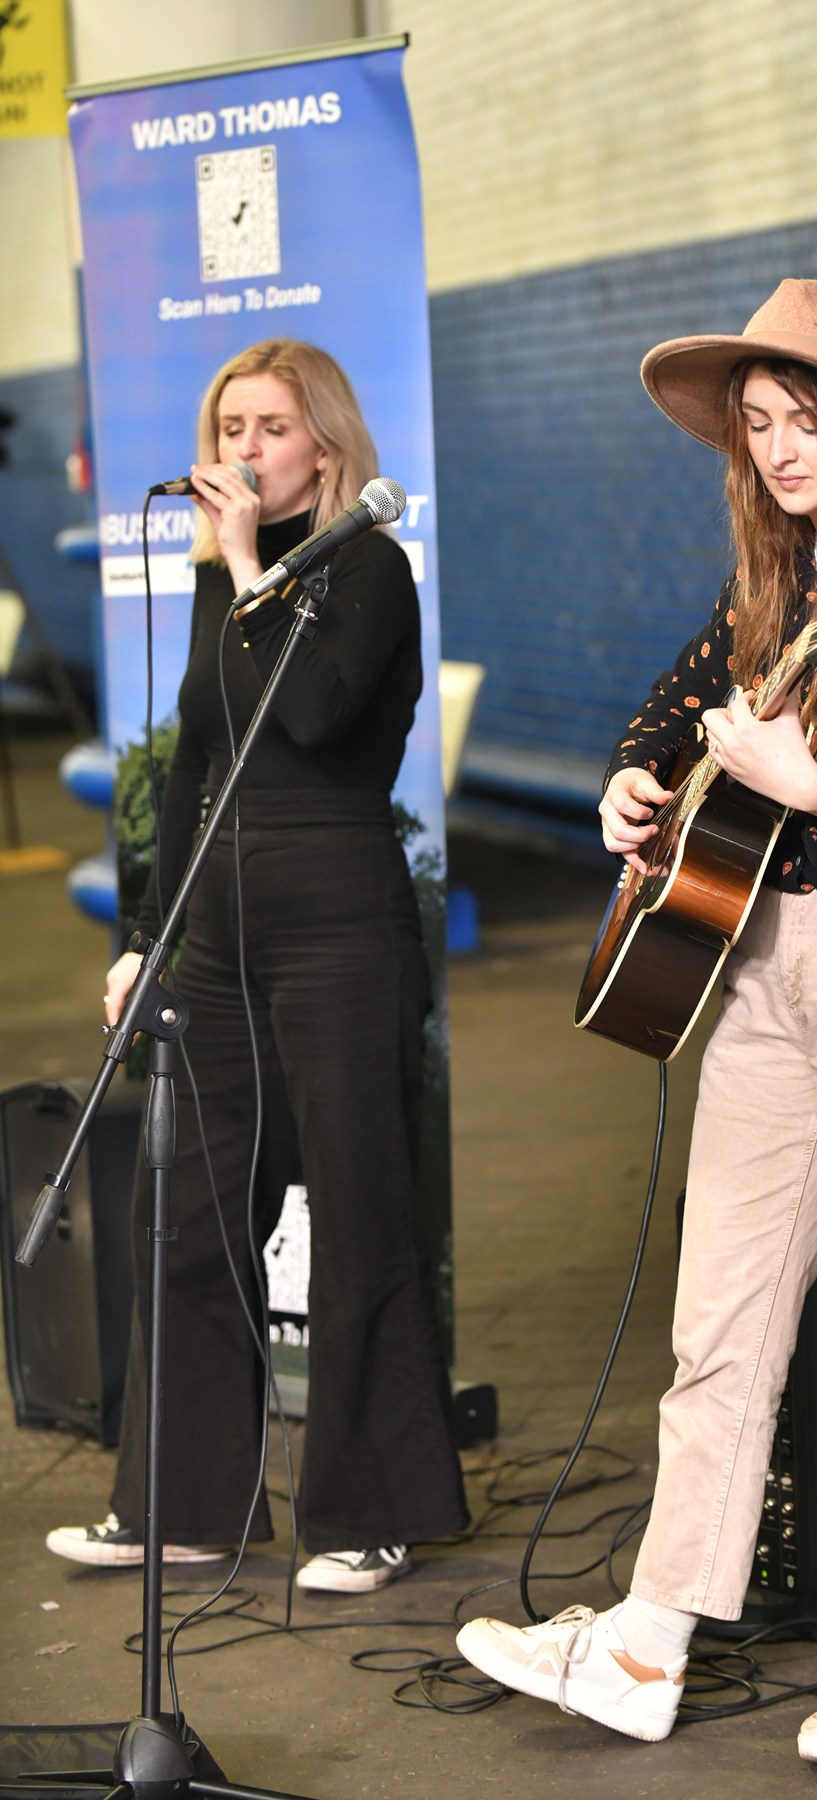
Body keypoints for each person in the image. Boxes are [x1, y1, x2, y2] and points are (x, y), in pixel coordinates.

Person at [456, 280, 817, 1762]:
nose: (775, 448)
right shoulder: (775, 584)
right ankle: (649, 1641)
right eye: (757, 424)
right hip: (763, 973)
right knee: (719, 1327)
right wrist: (632, 785)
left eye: (801, 418)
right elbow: (676, 703)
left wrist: (810, 788)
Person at [47, 338, 468, 1592]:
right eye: (229, 427)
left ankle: (364, 1511)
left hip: (339, 924)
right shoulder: (216, 588)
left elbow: (319, 716)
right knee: (180, 1205)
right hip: (219, 937)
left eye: (271, 428)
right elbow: (197, 766)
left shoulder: (371, 571)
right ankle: (183, 1505)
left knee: (356, 1213)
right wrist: (148, 933)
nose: (241, 450)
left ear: (325, 448)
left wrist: (246, 570)